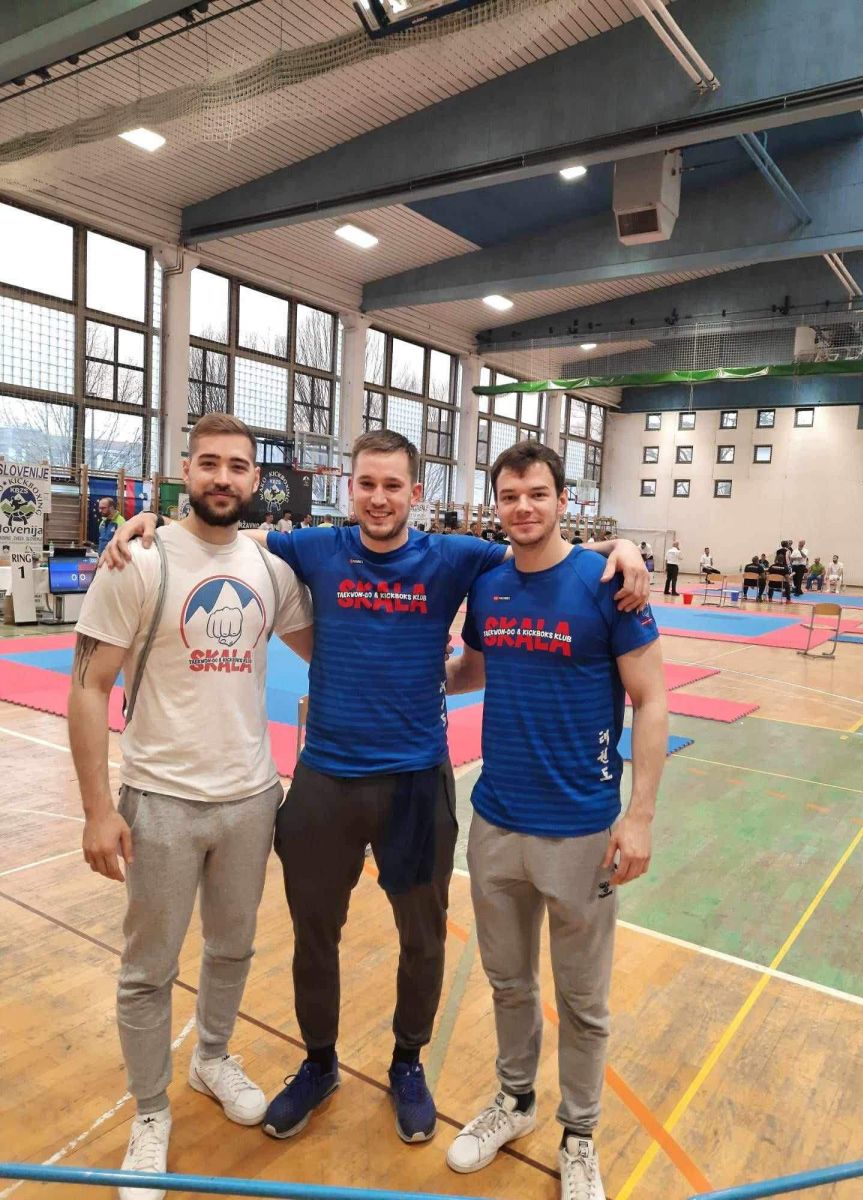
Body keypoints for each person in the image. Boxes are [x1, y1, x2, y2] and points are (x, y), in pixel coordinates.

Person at [104, 431, 650, 1151]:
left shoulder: (457, 557)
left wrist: (621, 547)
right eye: (367, 484)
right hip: (325, 780)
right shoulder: (316, 548)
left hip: (416, 784)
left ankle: (407, 1063)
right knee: (313, 936)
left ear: (416, 493)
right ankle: (319, 1062)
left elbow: (541, 549)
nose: (380, 498)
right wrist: (149, 524)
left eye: (394, 485)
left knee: (422, 938)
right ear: (349, 488)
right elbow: (227, 533)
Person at [70, 415, 313, 1200]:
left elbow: (333, 646)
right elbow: (87, 687)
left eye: (237, 466)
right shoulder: (139, 560)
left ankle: (211, 1057)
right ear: (185, 470)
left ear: (255, 480)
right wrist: (97, 809)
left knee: (233, 949)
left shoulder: (270, 567)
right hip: (161, 800)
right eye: (209, 463)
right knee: (149, 969)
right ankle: (149, 1111)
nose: (223, 477)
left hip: (251, 797)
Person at [445, 442, 667, 1200]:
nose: (523, 508)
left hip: (581, 830)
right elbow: (476, 667)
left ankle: (579, 1135)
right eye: (510, 496)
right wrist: (418, 674)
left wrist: (639, 817)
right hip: (496, 822)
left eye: (537, 493)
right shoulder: (490, 583)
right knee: (508, 982)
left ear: (563, 499)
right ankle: (514, 1101)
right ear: (496, 504)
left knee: (582, 1002)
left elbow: (652, 699)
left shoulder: (607, 584)